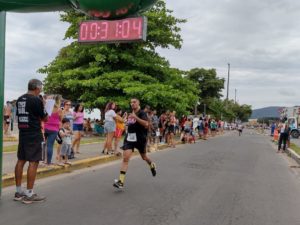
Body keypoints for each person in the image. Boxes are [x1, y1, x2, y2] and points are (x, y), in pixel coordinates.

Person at [14, 79, 48, 204]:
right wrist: (44, 105)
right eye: (41, 88)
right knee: (33, 162)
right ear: (37, 88)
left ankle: (18, 192)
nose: (41, 90)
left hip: (23, 133)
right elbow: (45, 118)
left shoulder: (20, 99)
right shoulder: (36, 100)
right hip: (34, 134)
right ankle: (29, 194)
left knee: (21, 160)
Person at [113, 98, 157, 189]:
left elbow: (146, 124)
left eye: (134, 102)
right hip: (130, 139)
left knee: (144, 157)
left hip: (140, 139)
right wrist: (127, 123)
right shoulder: (130, 114)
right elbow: (130, 124)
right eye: (131, 102)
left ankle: (151, 164)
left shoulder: (142, 113)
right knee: (125, 159)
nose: (132, 104)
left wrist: (135, 117)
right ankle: (121, 182)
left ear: (138, 103)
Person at [44, 95, 62, 165]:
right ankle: (48, 161)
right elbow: (61, 119)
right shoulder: (59, 109)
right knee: (50, 145)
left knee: (44, 145)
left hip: (46, 127)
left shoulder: (47, 108)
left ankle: (44, 160)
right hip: (54, 129)